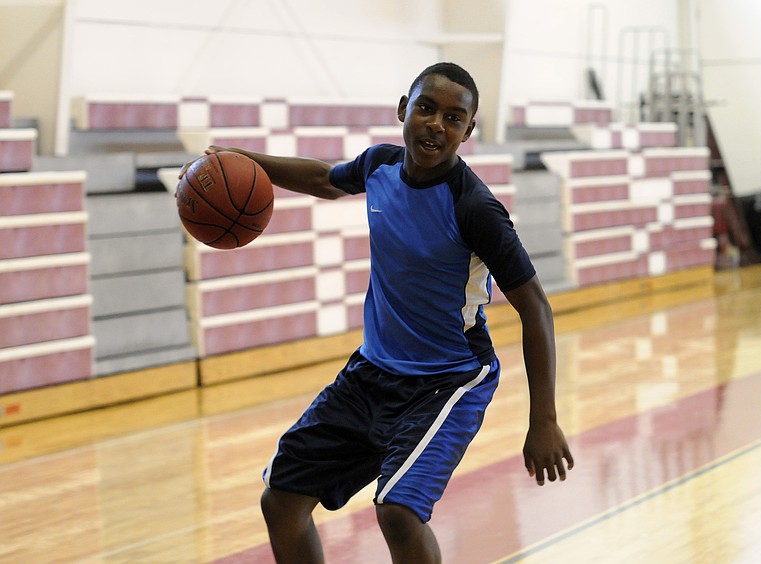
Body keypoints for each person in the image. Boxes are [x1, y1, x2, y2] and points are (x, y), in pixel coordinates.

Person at [188, 62, 574, 563]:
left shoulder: (475, 208)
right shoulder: (379, 167)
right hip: (372, 372)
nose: (437, 124)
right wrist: (242, 161)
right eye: (427, 108)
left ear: (468, 131)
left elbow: (536, 308)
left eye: (454, 118)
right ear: (403, 110)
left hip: (448, 378)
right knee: (281, 500)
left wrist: (543, 418)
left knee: (398, 511)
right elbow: (326, 179)